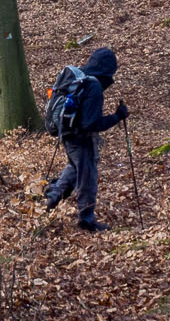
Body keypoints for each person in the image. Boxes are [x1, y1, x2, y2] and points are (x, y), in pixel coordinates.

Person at [43, 47, 128, 231]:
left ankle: (49, 200)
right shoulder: (93, 86)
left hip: (67, 134)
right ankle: (86, 219)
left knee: (74, 169)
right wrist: (117, 117)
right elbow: (91, 123)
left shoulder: (82, 79)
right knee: (87, 177)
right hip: (81, 138)